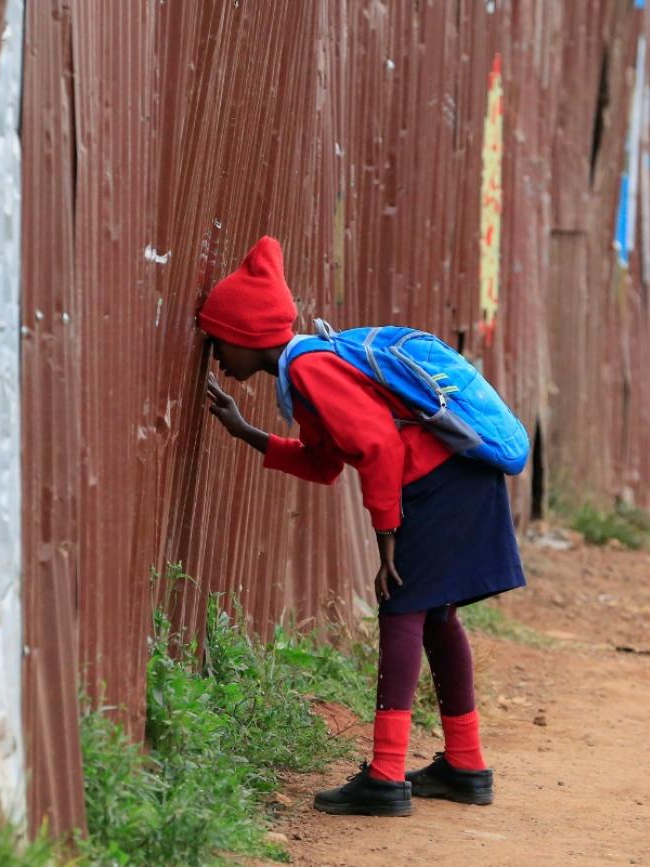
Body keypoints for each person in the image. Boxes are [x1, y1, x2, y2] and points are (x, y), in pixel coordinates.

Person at [198, 235, 526, 817]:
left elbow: (378, 447)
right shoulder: (305, 373)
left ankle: (385, 774)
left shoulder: (310, 368)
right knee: (435, 613)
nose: (216, 352)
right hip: (456, 481)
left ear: (248, 335)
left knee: (402, 609)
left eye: (218, 338)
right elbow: (326, 463)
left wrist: (386, 537)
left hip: (439, 484)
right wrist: (247, 431)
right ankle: (465, 764)